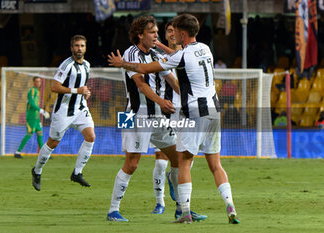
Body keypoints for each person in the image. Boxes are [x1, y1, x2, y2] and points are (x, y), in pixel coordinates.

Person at [108, 14, 239, 224]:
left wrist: (179, 96)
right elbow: (141, 84)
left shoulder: (155, 53)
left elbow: (170, 76)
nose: (157, 35)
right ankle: (113, 210)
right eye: (152, 32)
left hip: (160, 115)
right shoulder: (130, 53)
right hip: (134, 113)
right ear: (140, 34)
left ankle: (181, 208)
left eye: (158, 31)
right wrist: (161, 100)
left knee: (178, 160)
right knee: (132, 163)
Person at [31, 35, 95, 191]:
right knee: (53, 142)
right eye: (76, 46)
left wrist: (85, 92)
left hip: (80, 108)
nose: (79, 48)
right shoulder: (66, 65)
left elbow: (82, 85)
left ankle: (77, 173)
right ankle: (37, 171)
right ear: (72, 48)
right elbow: (54, 86)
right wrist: (76, 90)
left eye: (82, 46)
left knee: (91, 137)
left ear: (85, 48)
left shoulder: (87, 65)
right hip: (64, 110)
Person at [150, 21, 183, 214]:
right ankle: (160, 201)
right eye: (169, 31)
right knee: (161, 159)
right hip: (167, 109)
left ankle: (179, 193)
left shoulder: (190, 53)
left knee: (185, 157)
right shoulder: (158, 57)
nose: (172, 34)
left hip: (186, 110)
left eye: (175, 31)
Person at [14, 77, 50, 159]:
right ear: (33, 82)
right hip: (31, 116)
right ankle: (17, 152)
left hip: (36, 117)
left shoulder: (37, 91)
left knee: (40, 134)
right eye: (37, 81)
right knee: (29, 134)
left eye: (40, 81)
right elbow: (31, 103)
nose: (38, 83)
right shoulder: (32, 90)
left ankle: (43, 155)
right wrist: (42, 111)